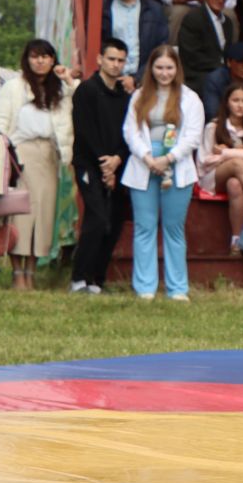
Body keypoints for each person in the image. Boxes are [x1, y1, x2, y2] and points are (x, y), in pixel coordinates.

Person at [121, 47, 205, 302]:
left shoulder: (190, 99)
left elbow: (192, 136)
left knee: (173, 228)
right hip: (143, 166)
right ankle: (145, 287)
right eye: (159, 68)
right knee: (144, 227)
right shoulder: (138, 96)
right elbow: (130, 131)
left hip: (176, 167)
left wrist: (168, 158)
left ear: (177, 69)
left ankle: (177, 288)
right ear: (151, 69)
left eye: (169, 68)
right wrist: (148, 158)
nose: (164, 73)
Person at [0, 39, 75, 289]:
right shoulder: (14, 87)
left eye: (46, 57)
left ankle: (33, 271)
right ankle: (19, 273)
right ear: (27, 59)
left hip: (49, 154)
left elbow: (78, 100)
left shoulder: (59, 88)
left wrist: (69, 79)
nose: (40, 61)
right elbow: (0, 123)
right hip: (20, 154)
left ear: (53, 60)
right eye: (35, 56)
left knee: (44, 215)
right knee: (20, 215)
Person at [70, 37, 133, 294]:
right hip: (89, 163)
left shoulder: (125, 96)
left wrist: (117, 159)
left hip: (119, 165)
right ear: (99, 60)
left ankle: (97, 278)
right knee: (96, 218)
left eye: (120, 60)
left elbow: (129, 132)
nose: (116, 65)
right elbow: (85, 131)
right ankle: (78, 278)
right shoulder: (86, 90)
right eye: (111, 59)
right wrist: (104, 165)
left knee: (114, 221)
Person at [198, 83, 243, 253]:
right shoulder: (213, 127)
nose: (240, 105)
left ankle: (236, 241)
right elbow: (204, 161)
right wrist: (237, 155)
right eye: (235, 100)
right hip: (213, 177)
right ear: (227, 102)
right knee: (237, 164)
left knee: (234, 185)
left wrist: (226, 153)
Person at [101, 0, 167, 80]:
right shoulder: (102, 9)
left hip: (145, 79)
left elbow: (160, 47)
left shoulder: (155, 10)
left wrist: (137, 78)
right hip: (111, 78)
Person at [175, 0, 235, 97]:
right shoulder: (193, 18)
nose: (220, 0)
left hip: (222, 71)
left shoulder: (227, 22)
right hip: (197, 74)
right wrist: (220, 66)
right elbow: (191, 55)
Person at [202, 42, 243, 124]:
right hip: (220, 126)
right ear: (229, 62)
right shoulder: (215, 79)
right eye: (241, 62)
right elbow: (212, 112)